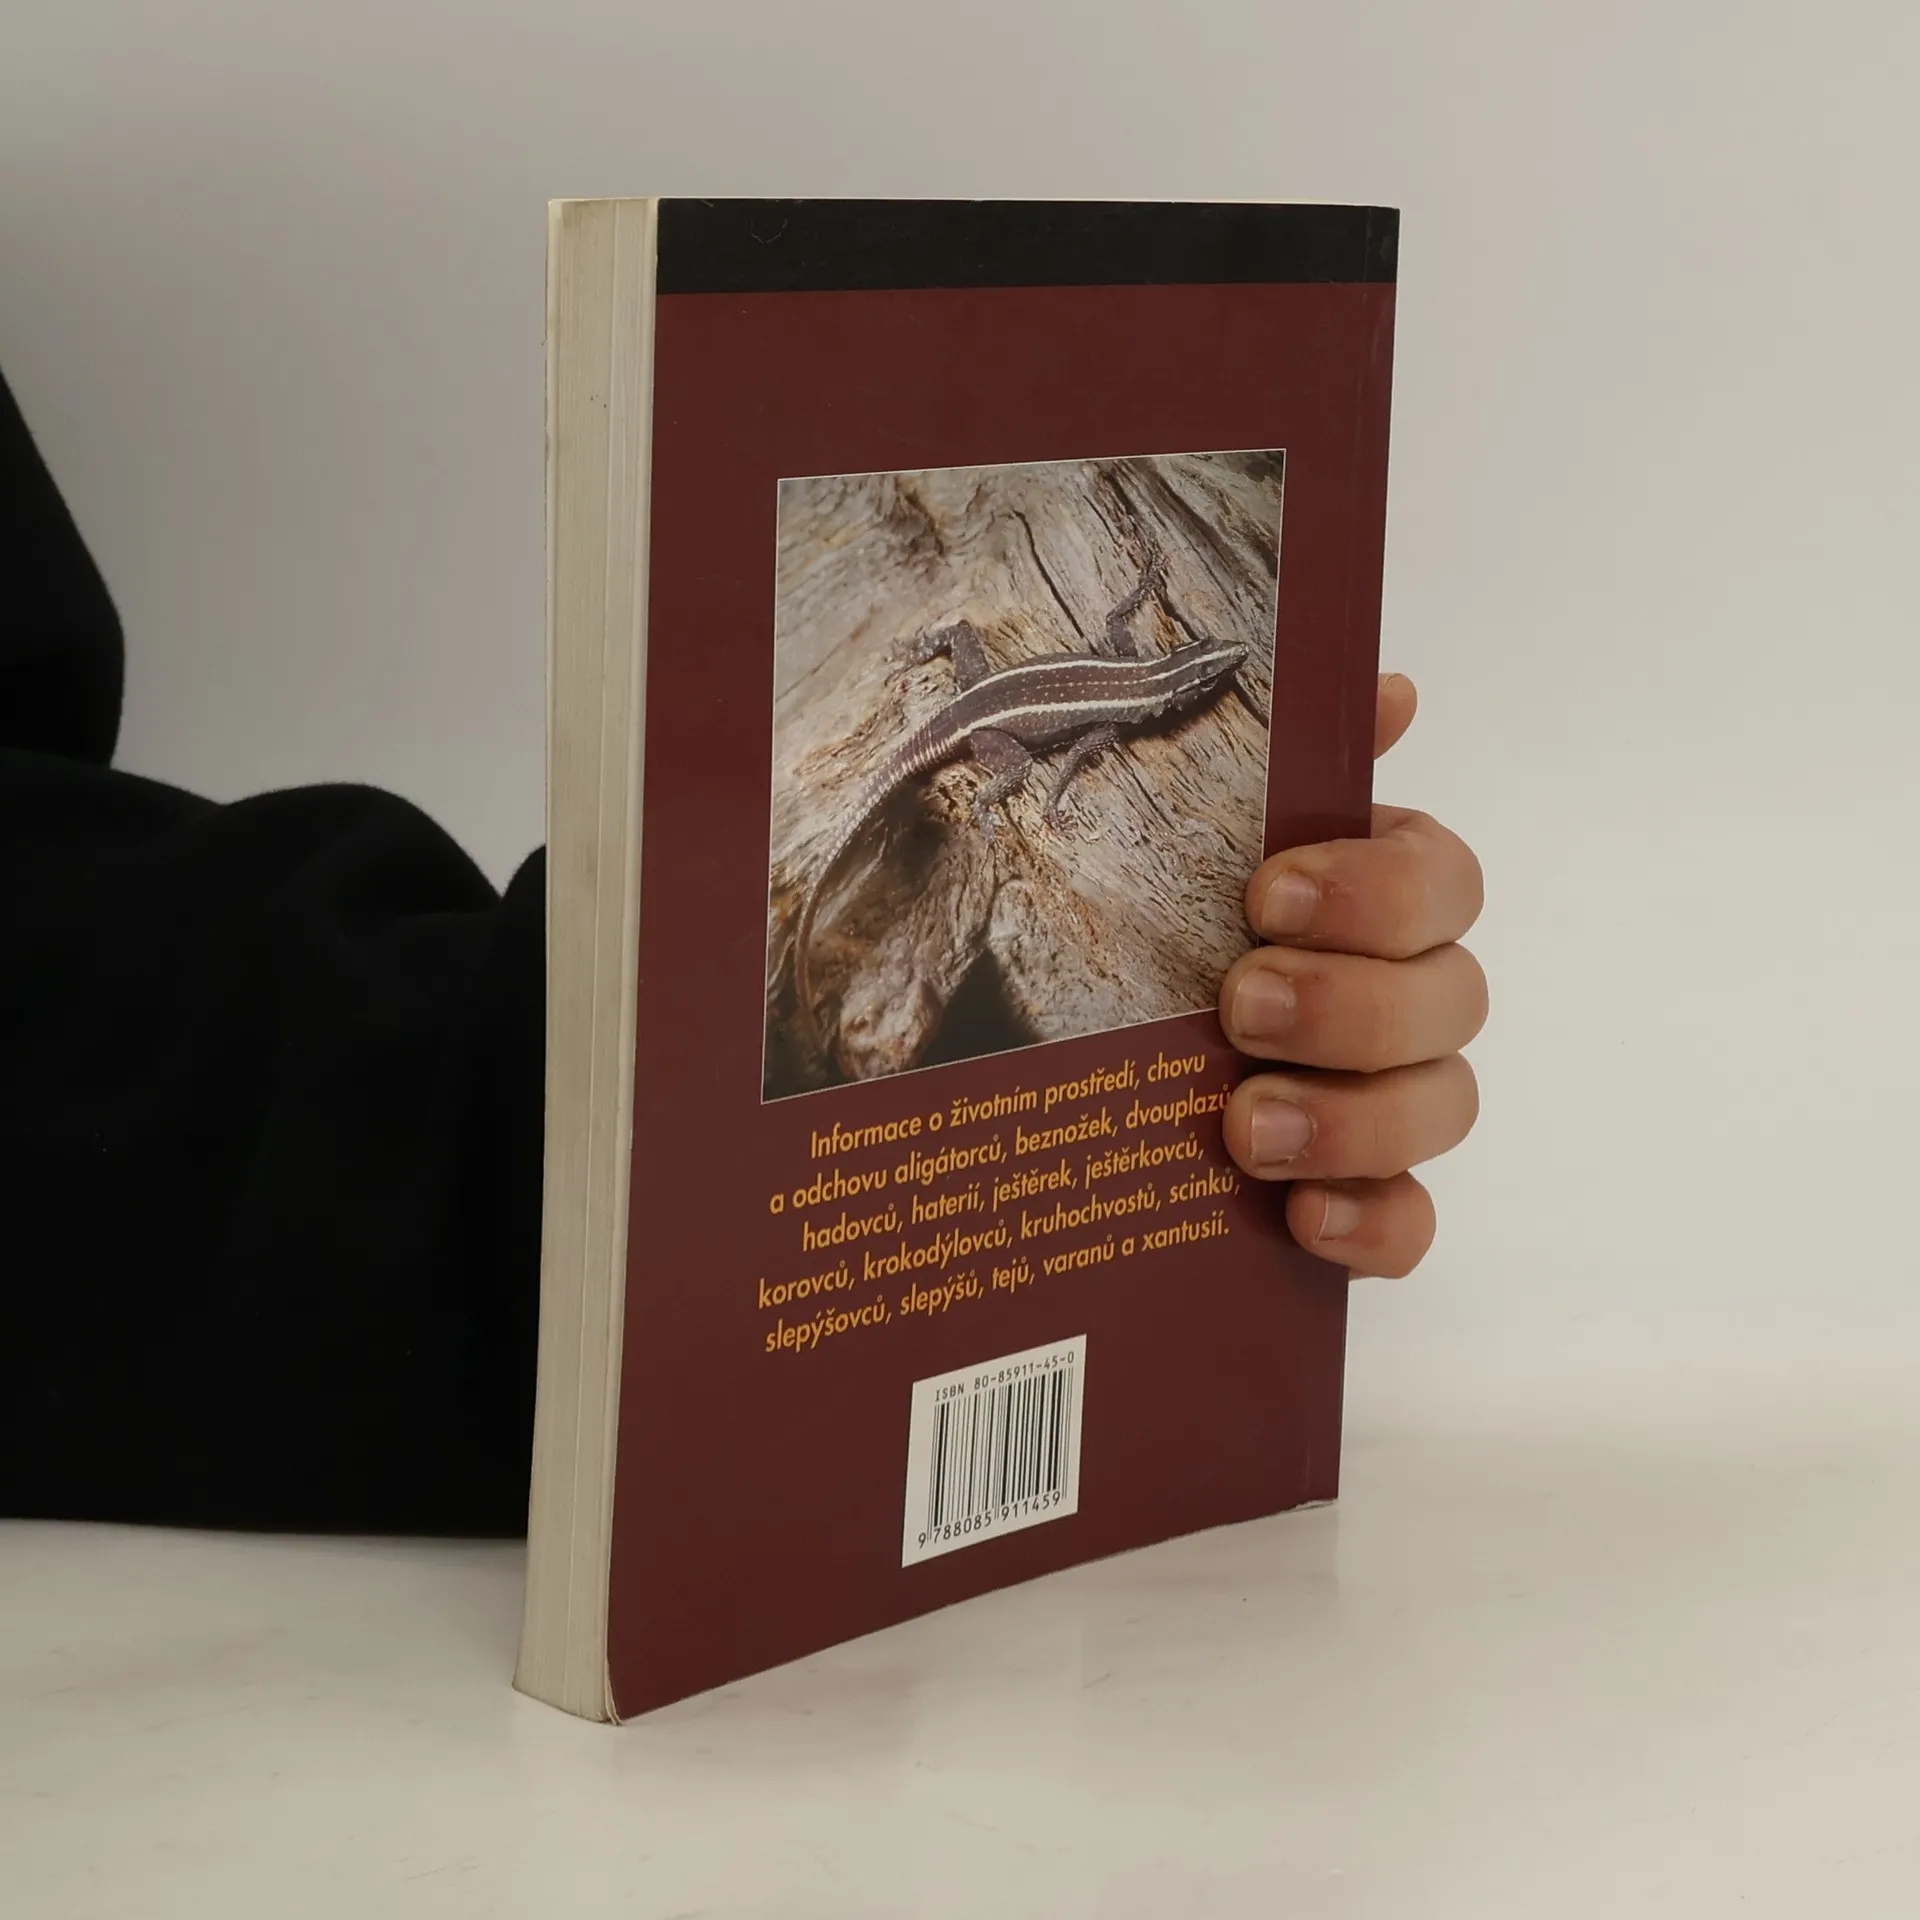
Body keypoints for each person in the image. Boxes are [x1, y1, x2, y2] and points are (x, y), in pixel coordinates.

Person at [0, 364, 1485, 1539]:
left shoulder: (1149, 674)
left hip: (464, 1168)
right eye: (1202, 681)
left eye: (1201, 682)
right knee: (994, 756)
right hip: (966, 740)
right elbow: (1078, 731)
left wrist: (542, 1105)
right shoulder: (1129, 695)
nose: (1200, 687)